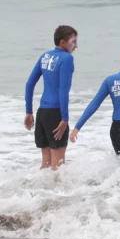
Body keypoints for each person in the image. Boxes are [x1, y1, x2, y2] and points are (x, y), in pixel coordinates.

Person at [24, 25, 79, 170]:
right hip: (56, 114)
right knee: (58, 166)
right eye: (73, 41)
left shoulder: (45, 56)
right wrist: (65, 118)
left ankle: (39, 192)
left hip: (42, 113)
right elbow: (63, 90)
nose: (76, 46)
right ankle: (57, 193)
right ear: (62, 42)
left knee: (46, 164)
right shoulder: (67, 58)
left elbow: (29, 84)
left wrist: (28, 112)